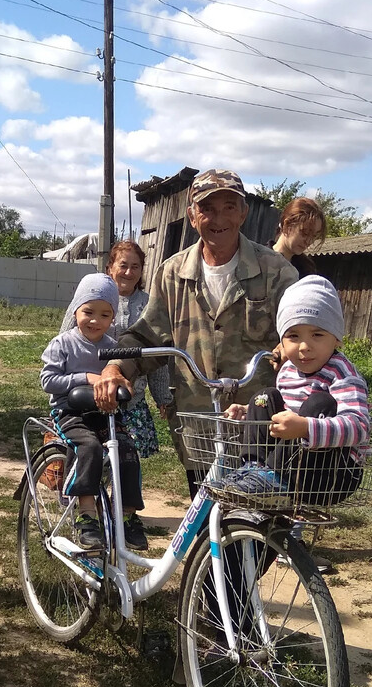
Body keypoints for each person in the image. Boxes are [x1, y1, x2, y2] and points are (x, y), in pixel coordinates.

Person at [94, 168, 301, 498]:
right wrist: (115, 368)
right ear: (192, 216)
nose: (218, 218)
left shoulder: (277, 272)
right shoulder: (172, 273)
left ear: (244, 213)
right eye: (207, 208)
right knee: (209, 532)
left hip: (260, 427)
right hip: (199, 426)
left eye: (229, 207)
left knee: (258, 532)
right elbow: (147, 336)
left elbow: (304, 337)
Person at [215, 276, 371, 506]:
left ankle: (268, 477)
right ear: (282, 342)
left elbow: (360, 427)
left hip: (333, 473)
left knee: (320, 403)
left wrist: (305, 427)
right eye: (293, 336)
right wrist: (249, 411)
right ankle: (254, 470)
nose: (304, 346)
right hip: (295, 467)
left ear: (336, 338)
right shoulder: (288, 370)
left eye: (317, 335)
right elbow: (286, 413)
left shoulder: (342, 373)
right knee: (263, 397)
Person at [41, 273, 147, 552]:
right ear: (76, 309)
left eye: (104, 314)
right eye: (88, 311)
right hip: (69, 412)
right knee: (88, 447)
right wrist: (86, 377)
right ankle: (86, 513)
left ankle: (125, 515)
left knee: (126, 449)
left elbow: (124, 376)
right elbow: (48, 381)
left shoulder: (114, 349)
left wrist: (125, 385)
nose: (94, 320)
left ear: (113, 318)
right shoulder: (63, 343)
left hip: (104, 412)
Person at [59, 240, 174, 460]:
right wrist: (63, 388)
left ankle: (120, 495)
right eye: (123, 265)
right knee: (86, 457)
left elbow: (155, 354)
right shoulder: (89, 298)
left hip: (130, 398)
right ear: (110, 267)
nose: (129, 272)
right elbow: (65, 340)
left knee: (126, 462)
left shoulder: (149, 305)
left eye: (136, 266)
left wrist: (162, 397)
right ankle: (77, 494)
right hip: (88, 395)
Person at [272, 196, 327, 278]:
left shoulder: (306, 269)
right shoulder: (259, 259)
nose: (309, 241)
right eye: (304, 233)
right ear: (286, 225)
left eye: (314, 236)